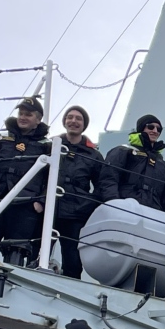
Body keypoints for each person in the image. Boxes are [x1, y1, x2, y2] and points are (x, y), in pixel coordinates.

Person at [0, 97, 52, 264]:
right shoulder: (1, 139)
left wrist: (41, 201)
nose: (22, 117)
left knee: (16, 250)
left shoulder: (46, 146)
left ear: (38, 119)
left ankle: (9, 287)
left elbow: (52, 178)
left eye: (28, 114)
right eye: (21, 113)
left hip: (24, 204)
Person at [54, 105, 104, 279]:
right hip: (49, 207)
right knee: (36, 253)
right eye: (70, 117)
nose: (73, 121)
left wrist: (88, 205)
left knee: (73, 260)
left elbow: (101, 185)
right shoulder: (51, 147)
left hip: (76, 212)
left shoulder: (94, 155)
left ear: (84, 125)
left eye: (78, 118)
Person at [99, 114, 165, 213]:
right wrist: (113, 204)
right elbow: (109, 178)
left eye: (159, 129)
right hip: (125, 208)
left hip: (154, 214)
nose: (155, 131)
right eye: (150, 127)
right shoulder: (122, 151)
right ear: (141, 128)